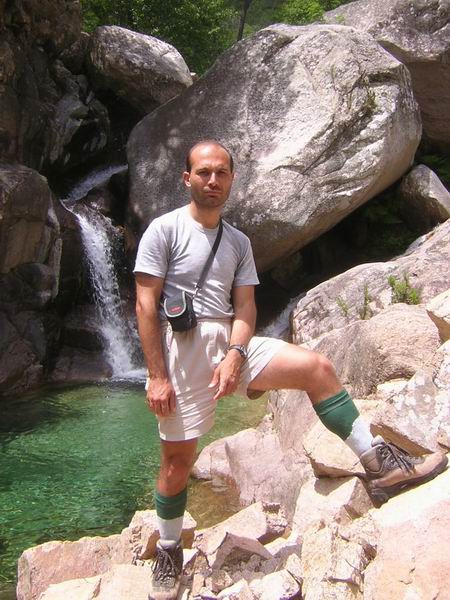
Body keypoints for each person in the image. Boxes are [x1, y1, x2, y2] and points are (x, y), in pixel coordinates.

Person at [134, 140, 448, 600]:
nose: (213, 180)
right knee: (177, 462)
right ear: (187, 178)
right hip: (181, 351)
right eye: (203, 172)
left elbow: (245, 306)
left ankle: (380, 464)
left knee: (316, 367)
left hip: (232, 342)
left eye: (221, 172)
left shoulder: (238, 241)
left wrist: (236, 354)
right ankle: (167, 551)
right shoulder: (164, 230)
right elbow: (145, 304)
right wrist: (157, 376)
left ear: (232, 179)